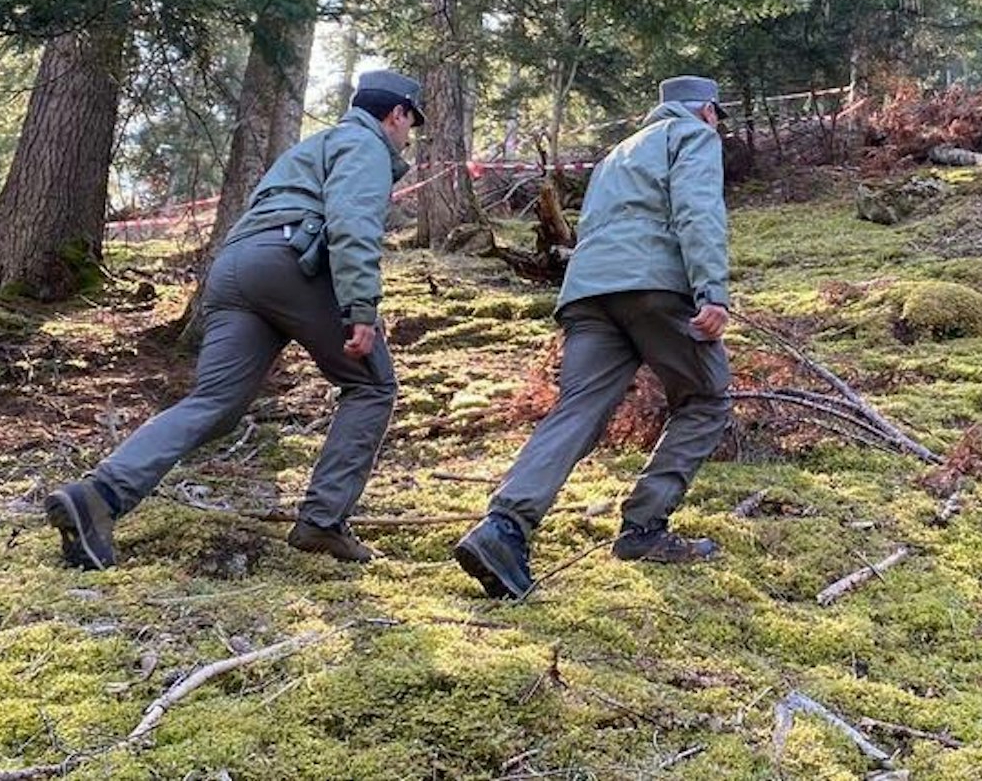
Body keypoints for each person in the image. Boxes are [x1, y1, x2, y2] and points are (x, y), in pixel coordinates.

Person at [45, 70, 425, 569]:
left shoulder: (314, 146)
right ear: (396, 113)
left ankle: (99, 497)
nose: (408, 136)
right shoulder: (365, 145)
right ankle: (322, 522)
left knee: (215, 404)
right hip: (293, 263)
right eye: (410, 125)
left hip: (234, 269)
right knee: (373, 385)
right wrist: (361, 308)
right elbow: (352, 222)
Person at [455, 75, 734, 600]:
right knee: (707, 398)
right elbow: (699, 211)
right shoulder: (693, 137)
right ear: (707, 112)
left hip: (588, 293)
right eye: (717, 117)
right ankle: (644, 528)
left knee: (577, 410)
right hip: (654, 287)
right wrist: (712, 291)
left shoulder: (617, 154)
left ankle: (504, 529)